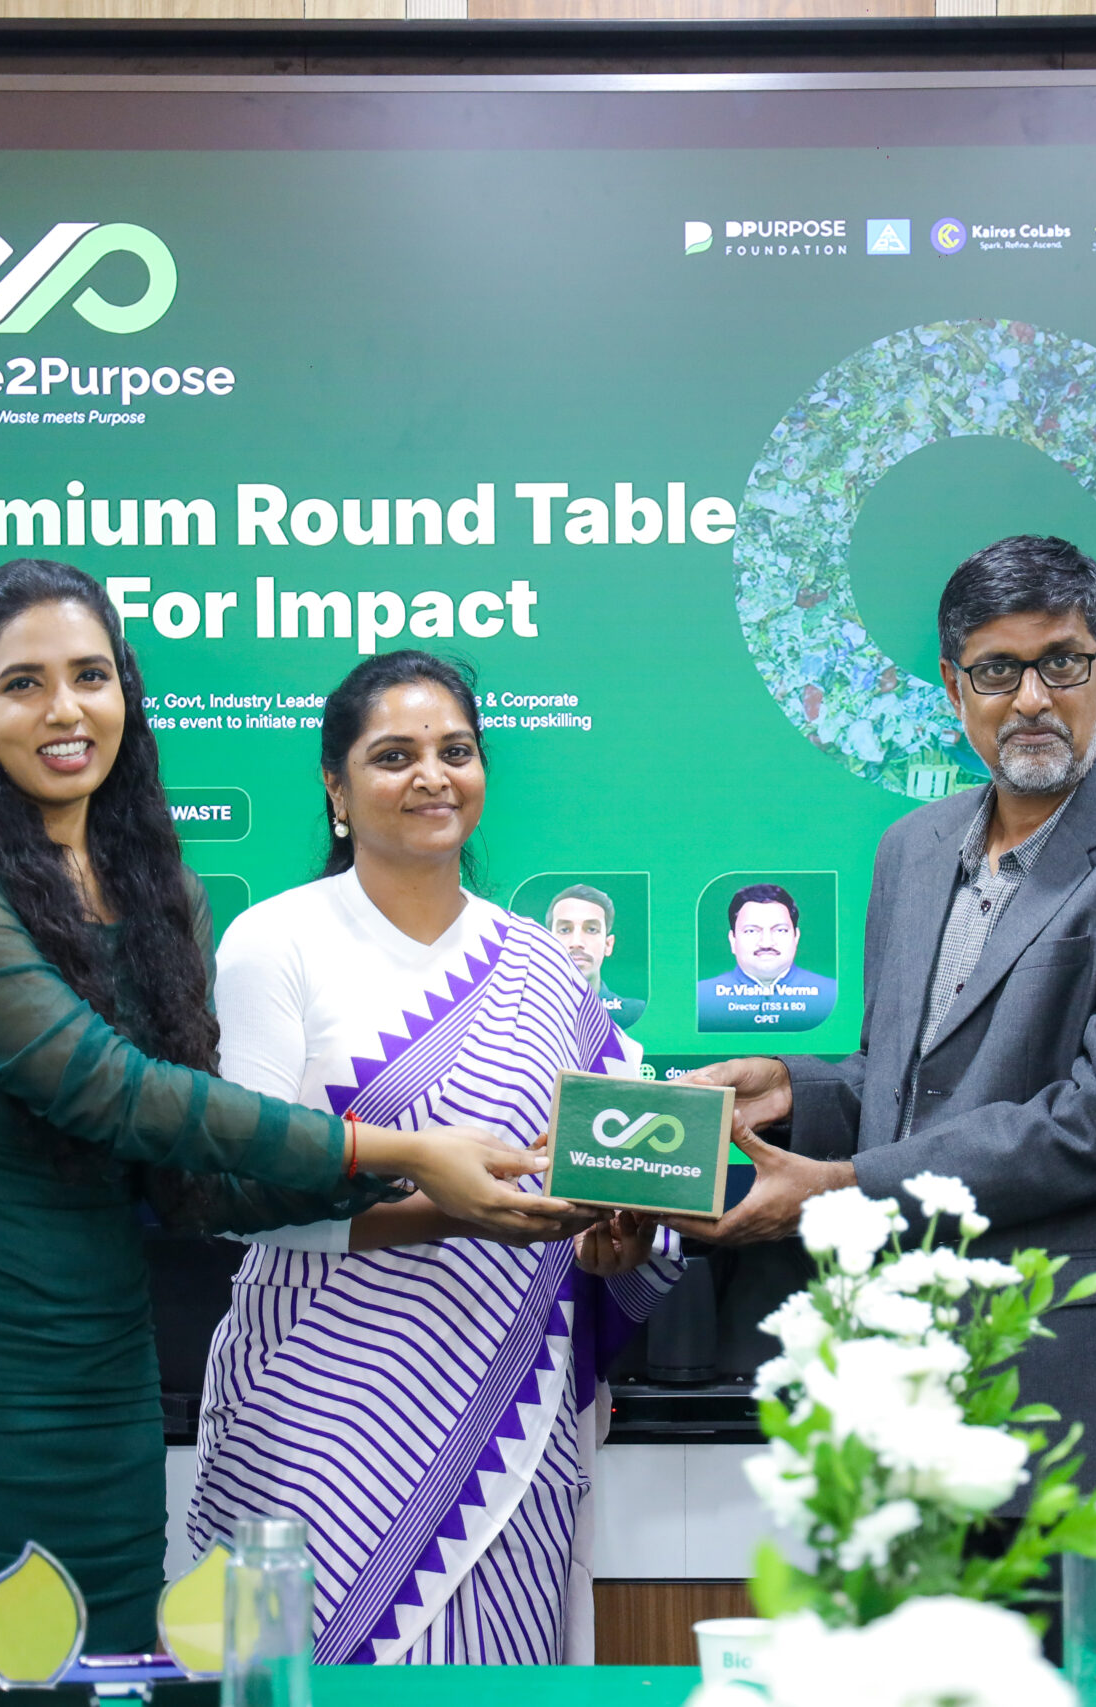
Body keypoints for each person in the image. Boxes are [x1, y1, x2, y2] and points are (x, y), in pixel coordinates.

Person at [0, 563, 566, 1683]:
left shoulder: (159, 893)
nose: (65, 710)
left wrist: (463, 1197)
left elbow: (193, 1175)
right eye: (23, 684)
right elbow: (110, 1091)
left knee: (111, 1670)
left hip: (100, 1361)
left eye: (91, 676)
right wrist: (402, 1149)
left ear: (126, 692)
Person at [667, 535, 1096, 1669]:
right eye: (997, 669)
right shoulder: (913, 847)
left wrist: (843, 1188)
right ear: (953, 687)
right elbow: (910, 1079)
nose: (1031, 698)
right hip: (905, 1404)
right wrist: (794, 1086)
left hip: (1084, 1408)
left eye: (1061, 662)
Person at [186, 649, 683, 1665]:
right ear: (336, 787)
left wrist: (618, 1240)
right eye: (393, 755)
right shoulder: (274, 943)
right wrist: (450, 1212)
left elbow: (619, 1175)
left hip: (509, 1422)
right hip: (316, 1417)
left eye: (455, 751)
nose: (431, 775)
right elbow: (234, 1191)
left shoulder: (543, 966)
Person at [695, 883, 839, 1032]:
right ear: (733, 940)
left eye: (780, 930)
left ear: (796, 937)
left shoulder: (833, 995)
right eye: (751, 931)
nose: (766, 943)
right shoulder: (700, 999)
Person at [548, 882, 646, 1027]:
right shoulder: (522, 1016)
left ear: (608, 945)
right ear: (548, 943)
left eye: (591, 929)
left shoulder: (635, 1014)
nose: (577, 942)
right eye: (565, 930)